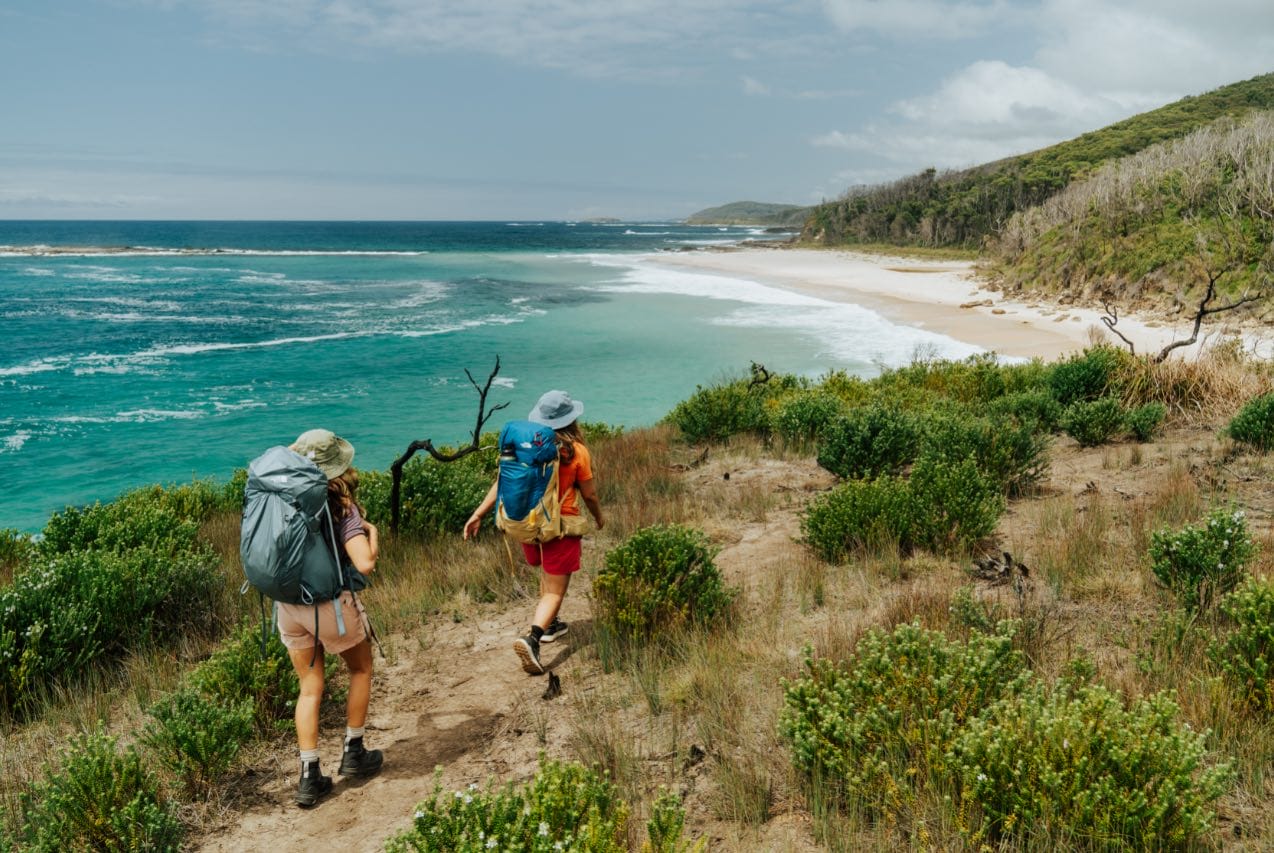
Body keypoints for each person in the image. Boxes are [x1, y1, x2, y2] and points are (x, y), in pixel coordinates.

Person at [277, 428, 384, 807]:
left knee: (309, 687)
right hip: (328, 606)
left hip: (288, 606)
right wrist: (371, 533)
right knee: (360, 668)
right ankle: (354, 752)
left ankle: (309, 777)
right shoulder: (340, 506)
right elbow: (365, 564)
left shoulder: (279, 497)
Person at [464, 390, 605, 675]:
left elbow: (501, 483)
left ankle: (552, 625)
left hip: (528, 526)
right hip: (559, 528)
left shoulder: (524, 447)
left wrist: (478, 514)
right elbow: (589, 494)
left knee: (546, 575)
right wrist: (599, 517)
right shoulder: (575, 452)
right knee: (555, 591)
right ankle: (533, 638)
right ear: (571, 419)